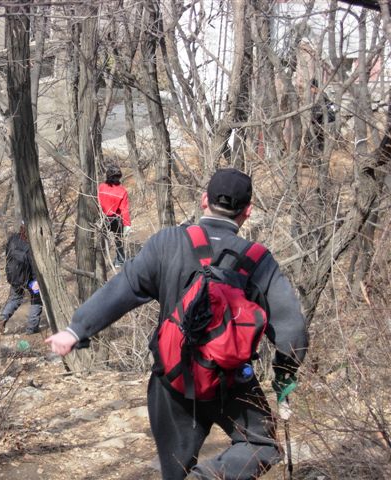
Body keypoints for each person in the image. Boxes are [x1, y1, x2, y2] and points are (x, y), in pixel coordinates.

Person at [46, 168, 308, 480]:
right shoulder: (257, 259)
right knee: (261, 446)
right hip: (231, 381)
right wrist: (284, 371)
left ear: (204, 200)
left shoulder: (167, 242)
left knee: (175, 472)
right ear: (247, 211)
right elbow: (292, 328)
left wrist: (76, 330)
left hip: (172, 380)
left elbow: (124, 289)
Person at [0, 222, 43, 335]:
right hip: (31, 279)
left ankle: (3, 317)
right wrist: (36, 280)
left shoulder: (13, 239)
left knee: (15, 298)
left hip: (15, 276)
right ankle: (32, 329)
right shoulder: (32, 243)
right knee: (36, 299)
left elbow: (8, 255)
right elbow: (34, 264)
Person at [98, 164, 131, 267]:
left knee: (101, 240)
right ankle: (120, 260)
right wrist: (127, 224)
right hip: (115, 218)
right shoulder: (122, 191)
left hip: (102, 218)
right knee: (118, 240)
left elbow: (97, 202)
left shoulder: (101, 187)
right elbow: (124, 209)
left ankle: (101, 262)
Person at [309, 78, 336, 155]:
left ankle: (320, 153)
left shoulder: (320, 96)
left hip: (324, 120)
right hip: (322, 120)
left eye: (311, 88)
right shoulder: (321, 94)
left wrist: (312, 119)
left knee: (316, 135)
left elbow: (319, 110)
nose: (310, 90)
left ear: (314, 87)